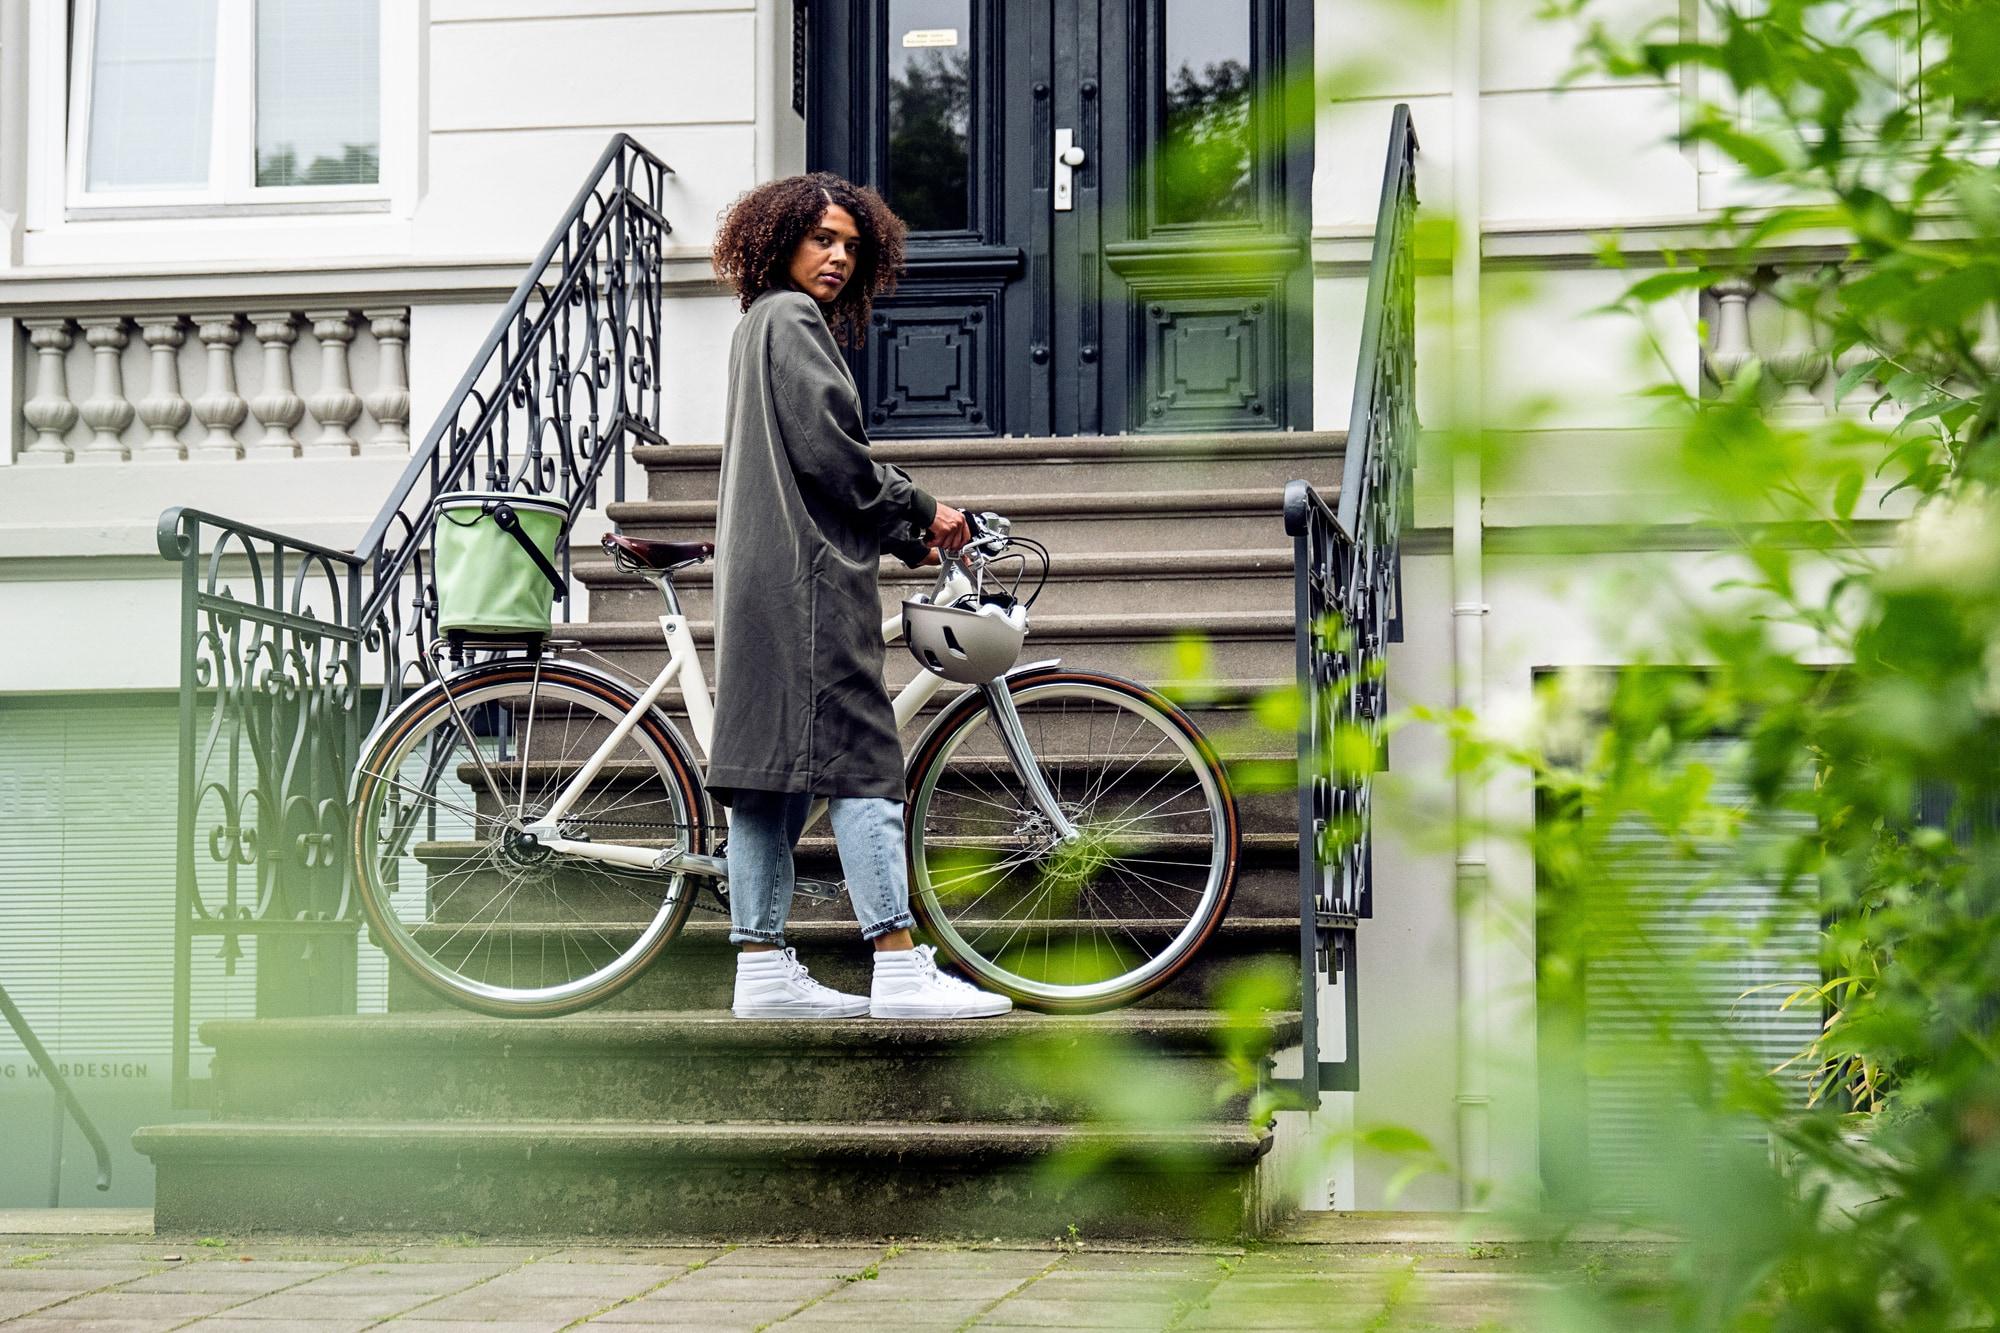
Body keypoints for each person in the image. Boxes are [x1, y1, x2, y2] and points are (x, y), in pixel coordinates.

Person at [706, 172, 1012, 1021]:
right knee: (866, 762)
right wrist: (924, 511)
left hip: (762, 581)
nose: (838, 256)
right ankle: (898, 962)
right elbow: (834, 455)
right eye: (822, 240)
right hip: (807, 586)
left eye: (850, 244)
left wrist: (907, 531)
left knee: (771, 778)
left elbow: (815, 464)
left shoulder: (756, 323)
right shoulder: (794, 319)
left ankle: (762, 968)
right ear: (780, 242)